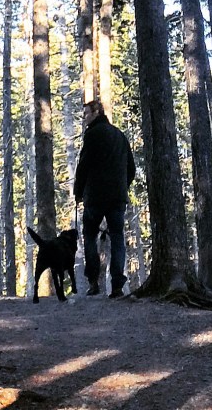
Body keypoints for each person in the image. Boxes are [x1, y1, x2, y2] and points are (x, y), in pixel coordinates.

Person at [73, 98, 135, 297]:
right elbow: (131, 169)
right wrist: (122, 187)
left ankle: (93, 281)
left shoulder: (92, 135)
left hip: (95, 197)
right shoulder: (120, 136)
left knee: (90, 235)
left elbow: (83, 166)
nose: (84, 119)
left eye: (87, 115)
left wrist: (78, 191)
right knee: (117, 237)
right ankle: (117, 284)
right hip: (117, 197)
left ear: (96, 113)